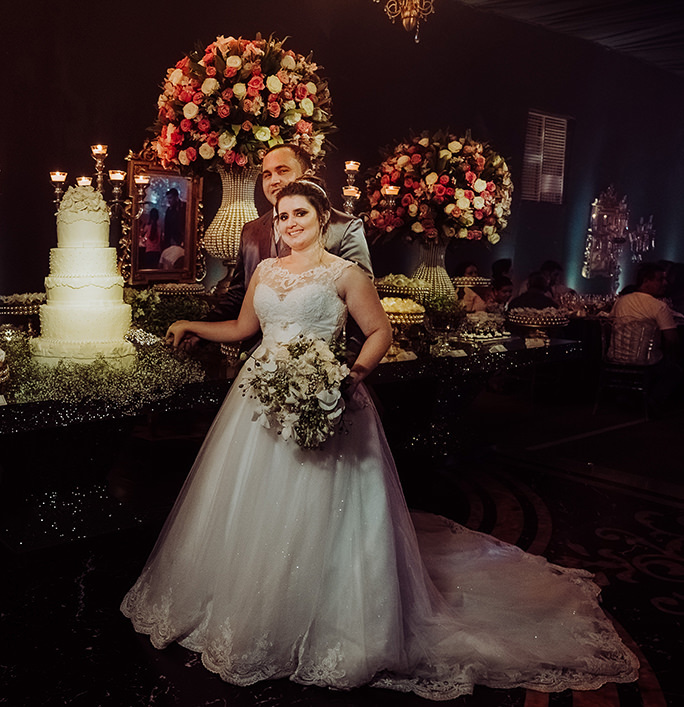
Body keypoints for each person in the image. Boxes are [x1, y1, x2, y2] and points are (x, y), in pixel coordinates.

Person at [121, 179, 637, 699]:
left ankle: (328, 617)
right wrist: (190, 322)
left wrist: (350, 377)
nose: (289, 223)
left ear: (323, 219)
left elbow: (379, 332)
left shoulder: (345, 274)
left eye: (299, 213)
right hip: (259, 399)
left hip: (329, 394)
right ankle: (247, 603)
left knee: (322, 504)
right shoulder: (264, 271)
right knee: (250, 501)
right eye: (281, 216)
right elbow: (241, 329)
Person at [206, 144, 372, 325]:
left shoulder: (345, 227)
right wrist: (199, 329)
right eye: (267, 175)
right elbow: (237, 296)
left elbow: (363, 304)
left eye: (282, 171)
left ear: (307, 173)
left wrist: (342, 354)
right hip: (257, 349)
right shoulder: (251, 230)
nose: (273, 180)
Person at [609, 262, 682, 404]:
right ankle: (653, 401)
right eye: (660, 279)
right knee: (676, 371)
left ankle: (627, 395)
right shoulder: (659, 306)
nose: (665, 283)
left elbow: (610, 323)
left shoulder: (621, 301)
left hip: (615, 357)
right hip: (645, 361)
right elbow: (672, 339)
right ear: (646, 281)